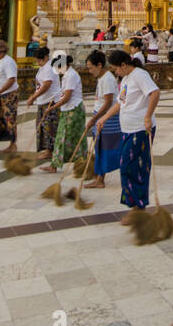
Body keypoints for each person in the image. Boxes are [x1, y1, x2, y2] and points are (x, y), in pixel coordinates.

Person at [97, 49, 160, 214]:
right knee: (125, 166)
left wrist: (147, 116)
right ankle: (134, 205)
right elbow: (120, 103)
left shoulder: (139, 75)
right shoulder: (125, 79)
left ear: (124, 65)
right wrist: (104, 118)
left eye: (116, 68)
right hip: (128, 129)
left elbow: (154, 93)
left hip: (140, 129)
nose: (115, 72)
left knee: (134, 167)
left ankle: (139, 207)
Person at [43, 54, 88, 172]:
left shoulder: (71, 75)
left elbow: (67, 97)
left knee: (71, 137)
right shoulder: (66, 75)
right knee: (61, 136)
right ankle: (55, 164)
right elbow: (63, 93)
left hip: (73, 109)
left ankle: (82, 163)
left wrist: (52, 108)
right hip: (67, 109)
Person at [83, 50, 121, 188]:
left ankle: (100, 179)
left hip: (107, 119)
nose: (89, 71)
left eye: (90, 67)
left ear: (99, 65)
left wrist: (95, 119)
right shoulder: (102, 78)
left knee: (104, 149)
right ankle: (99, 177)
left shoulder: (108, 79)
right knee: (99, 148)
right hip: (101, 117)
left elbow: (107, 103)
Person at [27, 46, 60, 158]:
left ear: (46, 57)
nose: (39, 63)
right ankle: (46, 149)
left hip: (51, 101)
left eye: (40, 61)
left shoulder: (50, 67)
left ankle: (50, 150)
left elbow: (46, 85)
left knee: (49, 126)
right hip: (43, 101)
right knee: (41, 125)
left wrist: (33, 97)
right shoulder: (44, 67)